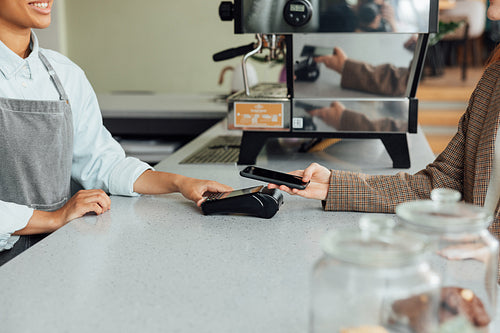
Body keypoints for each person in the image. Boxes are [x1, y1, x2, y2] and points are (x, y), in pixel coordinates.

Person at [269, 0, 500, 272]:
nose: (491, 12)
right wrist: (334, 185)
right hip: (469, 282)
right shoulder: (493, 80)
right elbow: (442, 183)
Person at [0, 0, 232, 261]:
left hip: (54, 254)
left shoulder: (65, 75)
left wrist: (181, 183)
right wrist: (52, 218)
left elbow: (103, 164)